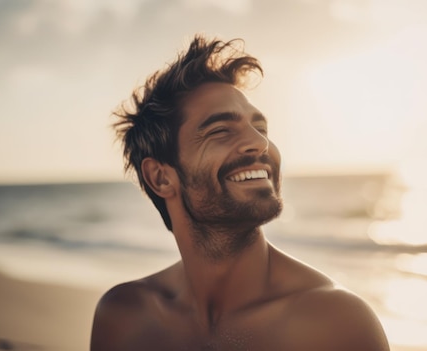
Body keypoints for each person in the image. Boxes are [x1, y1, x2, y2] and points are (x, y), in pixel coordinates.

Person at [91, 35, 390, 351]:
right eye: (220, 131)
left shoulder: (335, 323)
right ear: (161, 177)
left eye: (260, 128)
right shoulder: (125, 318)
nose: (261, 143)